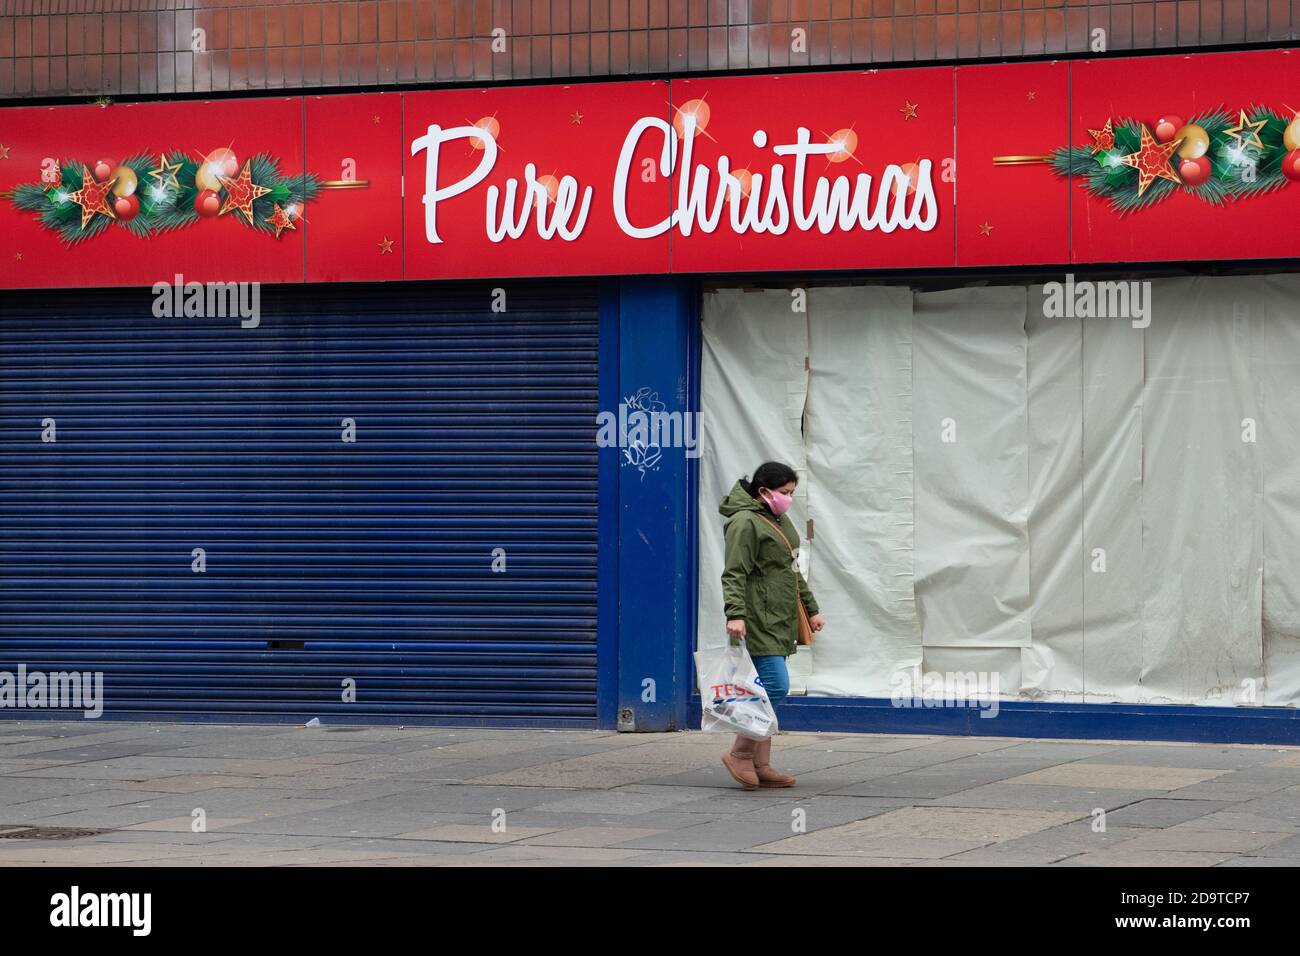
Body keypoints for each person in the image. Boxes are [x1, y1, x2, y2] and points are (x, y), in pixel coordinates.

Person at [717, 461, 825, 788]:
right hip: (758, 617)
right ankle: (740, 752)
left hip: (779, 616)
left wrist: (811, 607)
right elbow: (734, 572)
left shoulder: (774, 518)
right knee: (775, 685)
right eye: (785, 492)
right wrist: (735, 613)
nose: (789, 498)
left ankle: (761, 764)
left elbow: (790, 569)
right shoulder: (746, 523)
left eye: (792, 492)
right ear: (764, 492)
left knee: (764, 690)